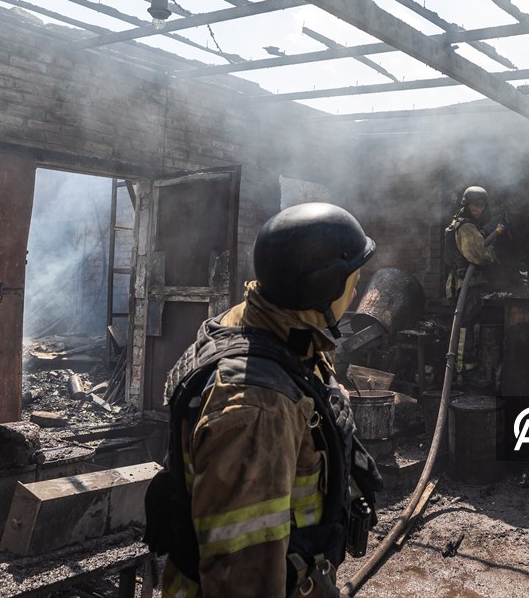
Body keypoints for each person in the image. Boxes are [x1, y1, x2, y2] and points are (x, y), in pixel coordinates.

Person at [145, 202, 382, 598]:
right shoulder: (256, 408)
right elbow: (243, 577)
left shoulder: (272, 322)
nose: (357, 292)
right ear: (323, 289)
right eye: (354, 280)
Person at [443, 186, 503, 372]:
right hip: (467, 284)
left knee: (464, 324)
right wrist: (491, 252)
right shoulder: (467, 227)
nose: (479, 210)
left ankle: (461, 368)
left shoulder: (459, 223)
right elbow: (478, 255)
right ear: (466, 205)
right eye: (476, 205)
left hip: (460, 283)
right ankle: (462, 370)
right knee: (465, 326)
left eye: (482, 206)